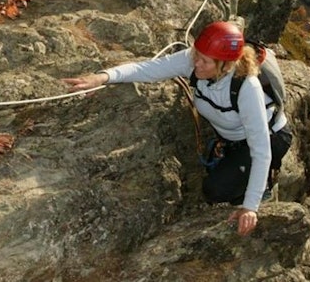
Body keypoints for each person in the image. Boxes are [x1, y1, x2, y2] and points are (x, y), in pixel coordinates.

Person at [61, 21, 292, 236]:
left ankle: (264, 187)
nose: (196, 64)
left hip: (270, 139)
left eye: (205, 61)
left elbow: (260, 149)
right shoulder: (195, 60)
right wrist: (102, 77)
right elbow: (148, 69)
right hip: (232, 137)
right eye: (196, 56)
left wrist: (250, 206)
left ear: (226, 65)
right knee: (220, 181)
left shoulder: (246, 87)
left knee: (215, 191)